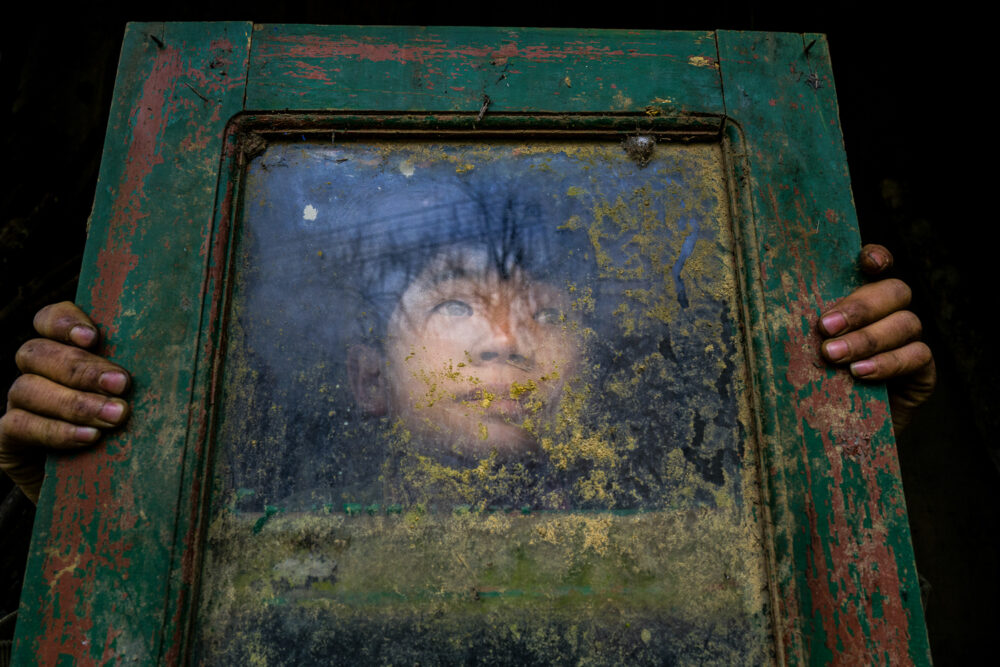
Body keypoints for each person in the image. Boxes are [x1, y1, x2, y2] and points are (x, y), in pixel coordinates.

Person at [0, 244, 935, 504]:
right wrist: (86, 493)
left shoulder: (704, 514)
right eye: (453, 302)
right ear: (368, 380)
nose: (506, 341)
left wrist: (856, 430)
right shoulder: (266, 518)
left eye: (546, 311)